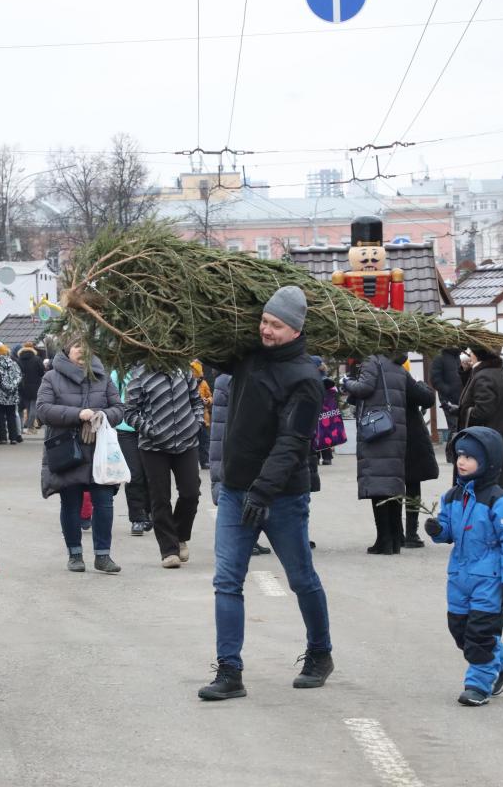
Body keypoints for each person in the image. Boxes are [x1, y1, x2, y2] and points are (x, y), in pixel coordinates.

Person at [198, 285, 332, 701]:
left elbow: (292, 443)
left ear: (294, 330)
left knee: (301, 578)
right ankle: (229, 670)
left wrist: (264, 491)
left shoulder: (306, 380)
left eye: (275, 325)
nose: (266, 330)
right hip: (238, 492)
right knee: (226, 581)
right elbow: (212, 354)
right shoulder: (248, 356)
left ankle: (320, 652)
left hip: (282, 497)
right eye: (264, 321)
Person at [424, 427, 503, 706]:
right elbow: (448, 533)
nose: (462, 462)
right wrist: (437, 529)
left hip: (489, 579)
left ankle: (479, 685)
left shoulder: (500, 500)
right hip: (459, 576)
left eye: (470, 457)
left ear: (488, 460)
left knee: (479, 635)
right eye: (459, 455)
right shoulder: (452, 497)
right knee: (460, 631)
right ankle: (501, 659)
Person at [36, 337, 125, 574]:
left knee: (104, 503)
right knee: (71, 503)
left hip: (100, 451)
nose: (82, 351)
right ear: (67, 350)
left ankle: (102, 555)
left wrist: (101, 415)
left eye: (86, 347)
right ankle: (75, 554)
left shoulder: (103, 376)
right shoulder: (51, 377)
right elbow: (43, 410)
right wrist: (78, 414)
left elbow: (119, 410)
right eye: (77, 346)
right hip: (67, 450)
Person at [125, 366, 204, 568]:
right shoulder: (140, 374)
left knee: (191, 492)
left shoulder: (184, 370)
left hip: (186, 442)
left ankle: (180, 535)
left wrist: (196, 423)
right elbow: (130, 412)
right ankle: (169, 550)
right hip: (153, 446)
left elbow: (196, 400)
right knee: (160, 497)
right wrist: (150, 430)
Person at [342, 353, 412, 555]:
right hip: (395, 429)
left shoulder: (373, 361)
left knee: (378, 484)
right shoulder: (398, 366)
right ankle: (395, 539)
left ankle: (384, 540)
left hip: (377, 431)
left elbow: (364, 388)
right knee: (393, 483)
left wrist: (347, 382)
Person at [209, 373, 269, 556]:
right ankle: (241, 540)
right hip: (232, 441)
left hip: (242, 440)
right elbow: (221, 419)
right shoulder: (227, 379)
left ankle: (250, 539)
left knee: (250, 490)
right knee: (238, 491)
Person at [457, 345, 503, 491]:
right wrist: (467, 371)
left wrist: (463, 412)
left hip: (483, 444)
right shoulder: (496, 371)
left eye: (471, 352)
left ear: (478, 354)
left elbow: (482, 411)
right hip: (495, 437)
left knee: (484, 490)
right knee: (495, 487)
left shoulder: (485, 375)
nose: (469, 355)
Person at [110, 367, 152, 536]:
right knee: (134, 474)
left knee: (152, 473)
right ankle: (137, 518)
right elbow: (112, 398)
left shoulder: (154, 367)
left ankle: (150, 511)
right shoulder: (120, 371)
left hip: (152, 427)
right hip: (127, 429)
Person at [402, 363, 439, 548]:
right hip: (409, 439)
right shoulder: (404, 378)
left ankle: (394, 533)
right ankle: (410, 532)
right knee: (412, 485)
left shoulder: (376, 376)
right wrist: (422, 384)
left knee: (391, 485)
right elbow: (427, 398)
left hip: (384, 439)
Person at [429, 346, 464, 461]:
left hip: (461, 397)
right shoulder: (439, 356)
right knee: (454, 426)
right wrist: (447, 390)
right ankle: (451, 454)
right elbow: (435, 379)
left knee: (459, 426)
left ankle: (454, 453)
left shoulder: (457, 356)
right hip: (447, 399)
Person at [0, 342, 23, 444]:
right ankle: (13, 438)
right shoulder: (14, 363)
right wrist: (12, 386)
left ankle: (2, 438)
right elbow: (19, 377)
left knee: (0, 416)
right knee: (12, 416)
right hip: (12, 394)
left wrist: (4, 387)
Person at [17, 340, 45, 433]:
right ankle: (30, 427)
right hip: (35, 385)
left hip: (23, 386)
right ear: (32, 348)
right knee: (34, 407)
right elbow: (42, 372)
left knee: (27, 406)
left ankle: (28, 426)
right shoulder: (37, 359)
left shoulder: (19, 359)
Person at [191, 360, 213, 469]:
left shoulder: (204, 384)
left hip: (204, 417)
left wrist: (207, 401)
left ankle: (205, 461)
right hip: (191, 417)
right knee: (192, 440)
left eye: (194, 370)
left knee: (204, 440)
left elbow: (210, 396)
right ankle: (193, 462)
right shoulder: (187, 383)